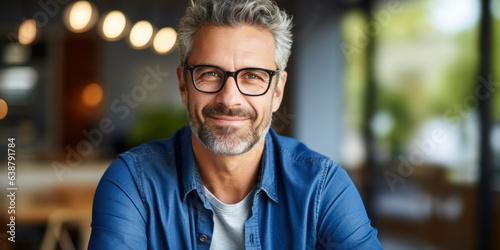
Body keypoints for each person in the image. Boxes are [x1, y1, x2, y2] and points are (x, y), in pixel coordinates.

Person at [89, 0, 383, 249]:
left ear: (277, 91)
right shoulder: (134, 182)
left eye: (253, 76)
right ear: (183, 85)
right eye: (209, 74)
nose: (229, 98)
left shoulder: (322, 187)